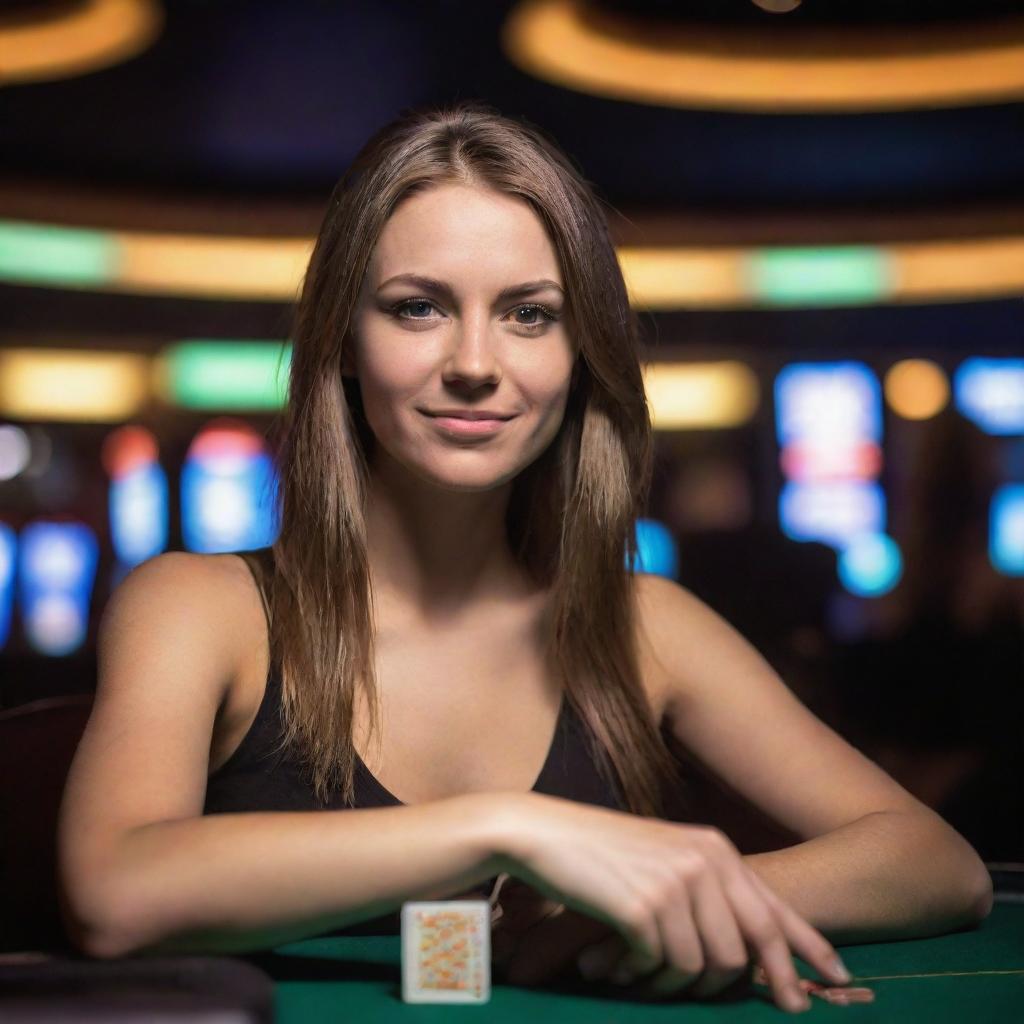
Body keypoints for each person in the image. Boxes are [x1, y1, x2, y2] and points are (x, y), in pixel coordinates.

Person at [56, 102, 992, 1014]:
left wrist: (663, 903)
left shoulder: (645, 625)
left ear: (582, 350)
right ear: (343, 338)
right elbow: (113, 895)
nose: (475, 361)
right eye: (417, 307)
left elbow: (938, 865)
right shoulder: (197, 606)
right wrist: (513, 828)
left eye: (529, 315)